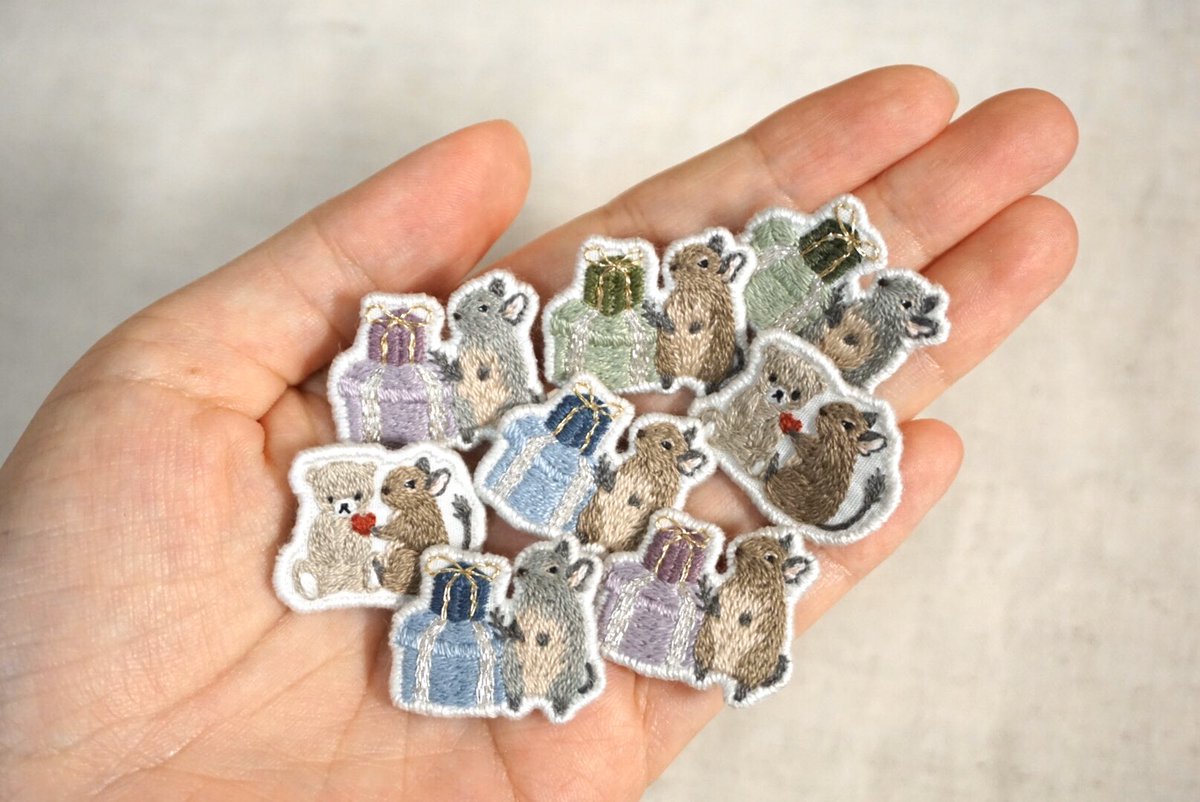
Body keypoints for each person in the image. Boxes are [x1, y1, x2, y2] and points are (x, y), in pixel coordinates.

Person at [0, 66, 1077, 800]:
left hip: (604, 475)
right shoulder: (512, 458)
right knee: (551, 475)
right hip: (544, 479)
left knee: (607, 482)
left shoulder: (695, 449)